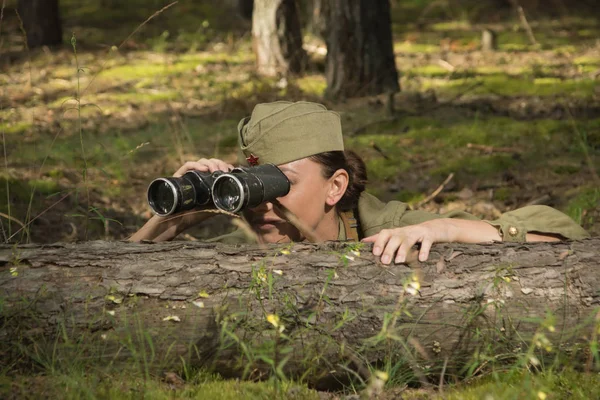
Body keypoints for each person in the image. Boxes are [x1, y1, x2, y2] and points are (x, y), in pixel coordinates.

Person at [130, 101, 590, 264]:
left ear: (335, 187)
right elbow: (109, 279)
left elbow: (561, 238)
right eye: (252, 183)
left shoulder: (381, 224)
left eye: (278, 182)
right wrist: (173, 218)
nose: (262, 203)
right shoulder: (236, 241)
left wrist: (442, 228)